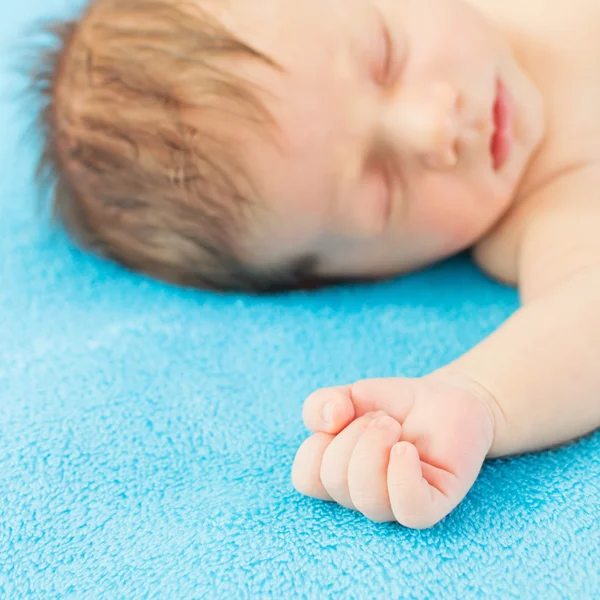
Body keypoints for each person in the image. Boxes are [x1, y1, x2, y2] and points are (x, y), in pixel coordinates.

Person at [33, 0, 600, 527]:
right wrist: (480, 396)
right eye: (381, 193)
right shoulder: (551, 212)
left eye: (385, 59)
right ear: (372, 272)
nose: (434, 128)